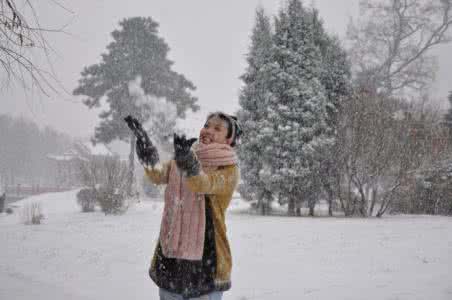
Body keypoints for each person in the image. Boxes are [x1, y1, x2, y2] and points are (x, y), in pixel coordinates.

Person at [134, 112, 242, 300]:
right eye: (207, 125)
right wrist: (147, 151)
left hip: (206, 261)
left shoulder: (229, 169)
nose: (208, 130)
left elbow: (203, 183)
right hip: (172, 256)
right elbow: (158, 175)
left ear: (229, 140)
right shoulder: (184, 158)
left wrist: (187, 162)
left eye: (217, 128)